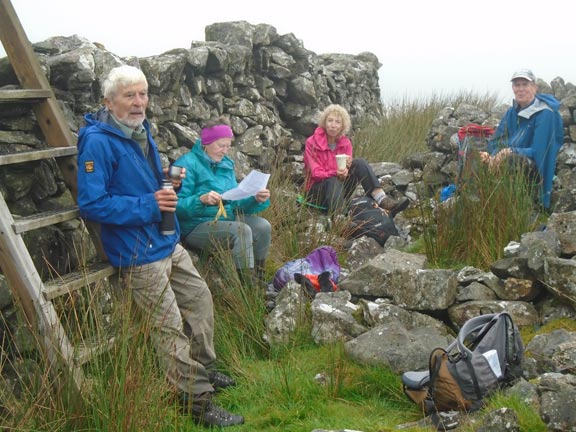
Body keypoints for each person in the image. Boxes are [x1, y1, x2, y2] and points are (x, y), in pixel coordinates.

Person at [76, 65, 243, 428]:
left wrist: (168, 187)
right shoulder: (97, 142)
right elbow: (91, 204)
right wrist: (150, 205)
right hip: (135, 250)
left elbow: (144, 184)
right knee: (167, 325)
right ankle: (194, 400)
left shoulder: (140, 130)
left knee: (200, 299)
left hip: (166, 238)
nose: (139, 103)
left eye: (143, 94)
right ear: (109, 101)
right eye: (129, 95)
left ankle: (200, 369)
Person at [174, 117, 271, 283]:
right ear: (206, 143)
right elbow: (174, 205)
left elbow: (234, 201)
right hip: (194, 226)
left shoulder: (226, 165)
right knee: (242, 231)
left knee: (263, 226)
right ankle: (248, 287)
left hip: (225, 218)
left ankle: (259, 278)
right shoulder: (184, 164)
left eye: (228, 145)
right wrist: (200, 200)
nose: (225, 150)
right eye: (221, 145)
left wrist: (255, 199)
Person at [303, 104, 409, 216]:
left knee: (360, 163)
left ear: (342, 126)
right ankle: (340, 218)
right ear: (324, 123)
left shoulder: (346, 143)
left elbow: (345, 172)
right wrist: (336, 173)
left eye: (337, 122)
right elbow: (315, 173)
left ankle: (382, 199)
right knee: (332, 180)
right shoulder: (312, 142)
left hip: (339, 192)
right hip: (317, 193)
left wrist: (347, 169)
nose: (333, 125)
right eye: (330, 121)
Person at [479, 69, 564, 210]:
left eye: (525, 84)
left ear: (534, 87)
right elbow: (496, 141)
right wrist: (491, 156)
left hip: (535, 170)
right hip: (508, 159)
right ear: (513, 88)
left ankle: (529, 205)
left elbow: (540, 152)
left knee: (512, 161)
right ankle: (480, 202)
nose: (521, 89)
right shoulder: (512, 112)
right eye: (517, 85)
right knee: (475, 156)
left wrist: (509, 151)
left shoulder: (545, 113)